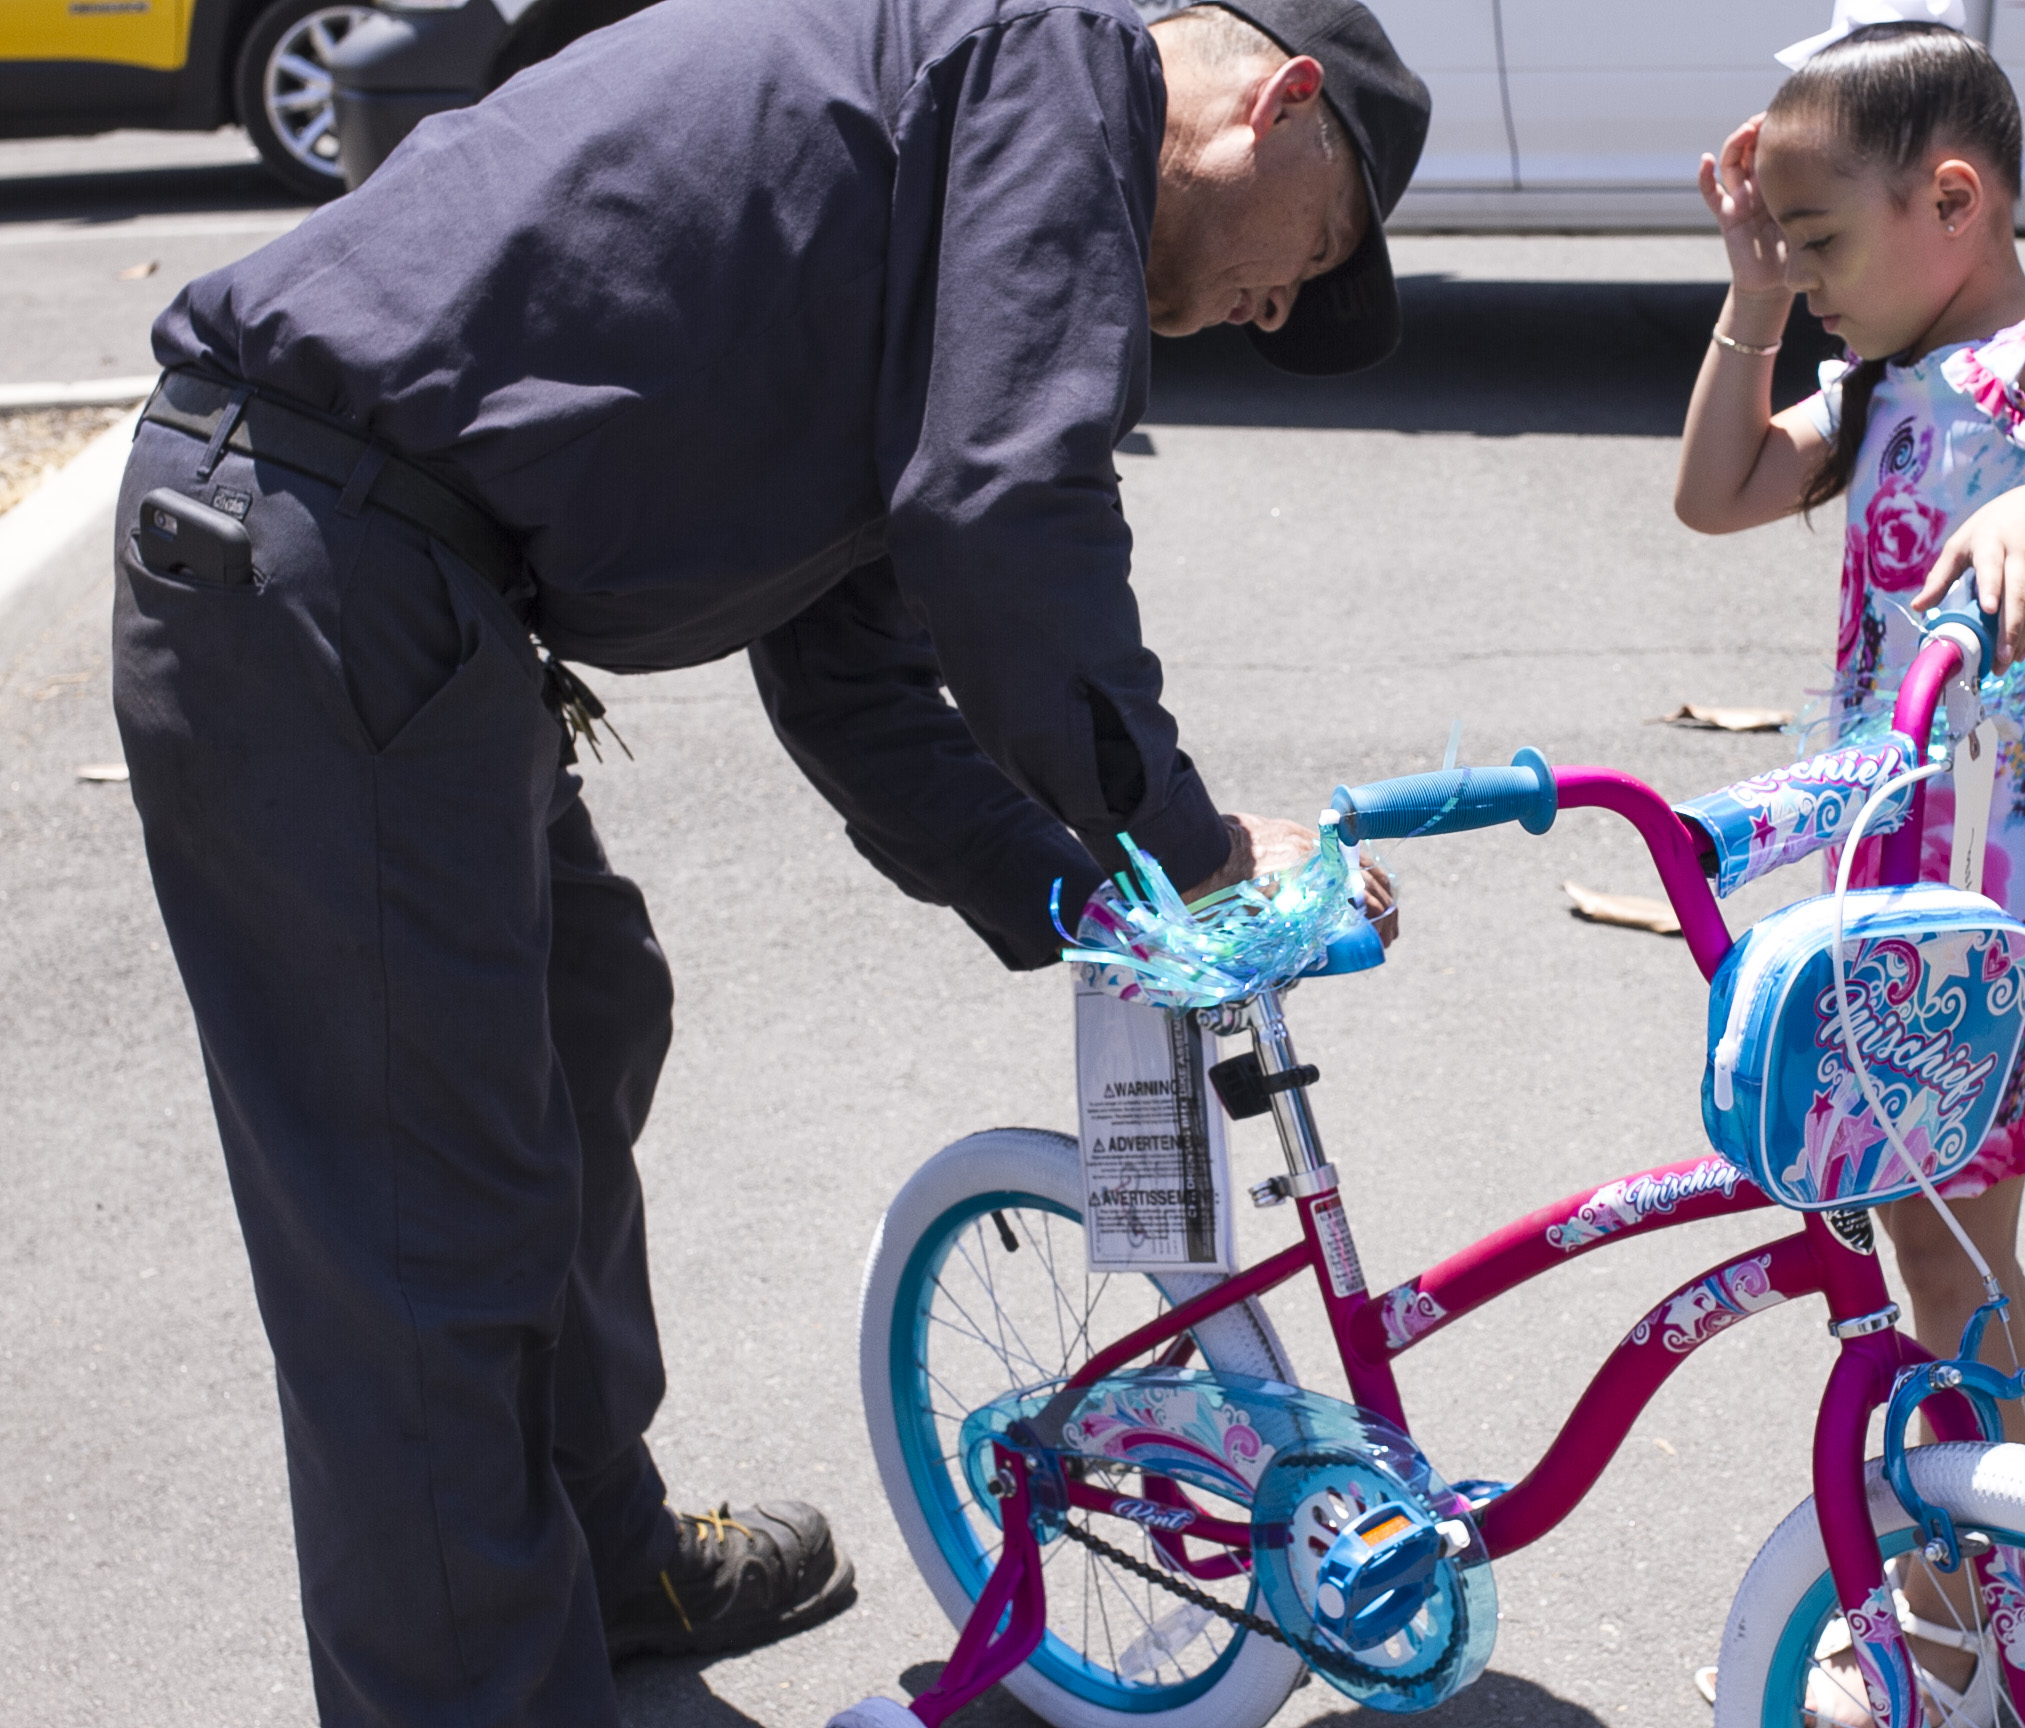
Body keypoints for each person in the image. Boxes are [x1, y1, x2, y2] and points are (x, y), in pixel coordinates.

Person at [108, 0, 1423, 1722]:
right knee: (423, 1223)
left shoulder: (952, 175)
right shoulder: (1051, 62)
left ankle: (597, 1554)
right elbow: (1008, 512)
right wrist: (1193, 844)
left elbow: (851, 666)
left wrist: (1098, 895)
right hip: (310, 555)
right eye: (1307, 257)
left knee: (587, 1016)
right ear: (1282, 101)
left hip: (403, 582)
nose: (1271, 310)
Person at [1671, 20, 2025, 1723]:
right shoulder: (1881, 379)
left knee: (1947, 1246)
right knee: (1936, 1231)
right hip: (1898, 869)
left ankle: (1975, 1605)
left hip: (1997, 894)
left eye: (1821, 238)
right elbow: (1718, 491)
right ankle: (2000, 1568)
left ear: (1954, 200)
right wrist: (1754, 301)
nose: (1810, 274)